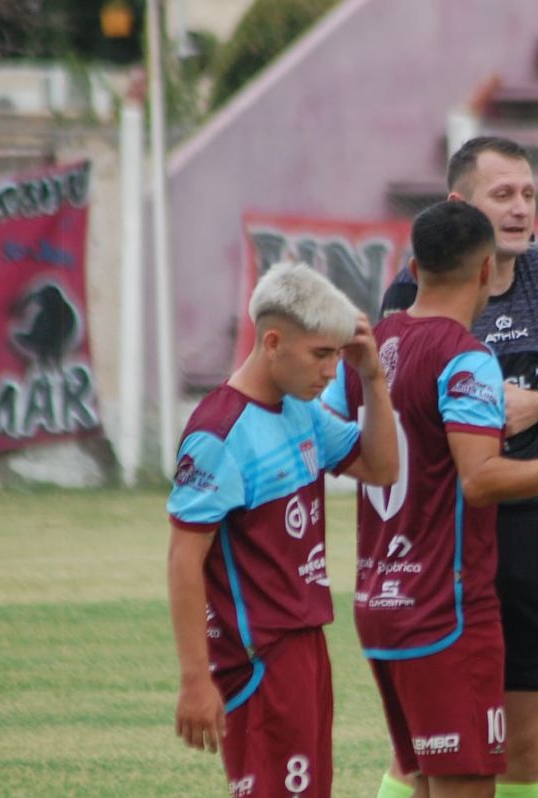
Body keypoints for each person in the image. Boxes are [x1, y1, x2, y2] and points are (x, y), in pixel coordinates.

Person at [324, 200, 538, 798]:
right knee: (465, 782)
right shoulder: (466, 358)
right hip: (449, 606)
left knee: (418, 773)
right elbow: (482, 479)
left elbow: (340, 448)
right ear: (482, 271)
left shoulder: (376, 345)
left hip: (381, 594)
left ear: (413, 269)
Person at [167, 262, 399, 798]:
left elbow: (383, 469)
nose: (330, 370)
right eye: (322, 354)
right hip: (259, 656)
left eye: (337, 356)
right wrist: (194, 679)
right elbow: (184, 560)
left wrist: (373, 377)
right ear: (272, 342)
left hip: (304, 643)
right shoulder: (218, 435)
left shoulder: (302, 412)